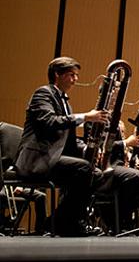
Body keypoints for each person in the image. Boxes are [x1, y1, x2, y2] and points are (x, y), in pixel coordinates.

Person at [14, 57, 109, 236]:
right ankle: (64, 223)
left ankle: (60, 221)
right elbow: (50, 121)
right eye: (71, 75)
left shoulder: (66, 102)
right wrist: (86, 117)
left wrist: (88, 149)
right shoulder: (43, 93)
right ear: (57, 74)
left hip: (53, 158)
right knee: (84, 169)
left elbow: (68, 139)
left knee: (95, 173)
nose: (75, 79)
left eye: (76, 75)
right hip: (38, 159)